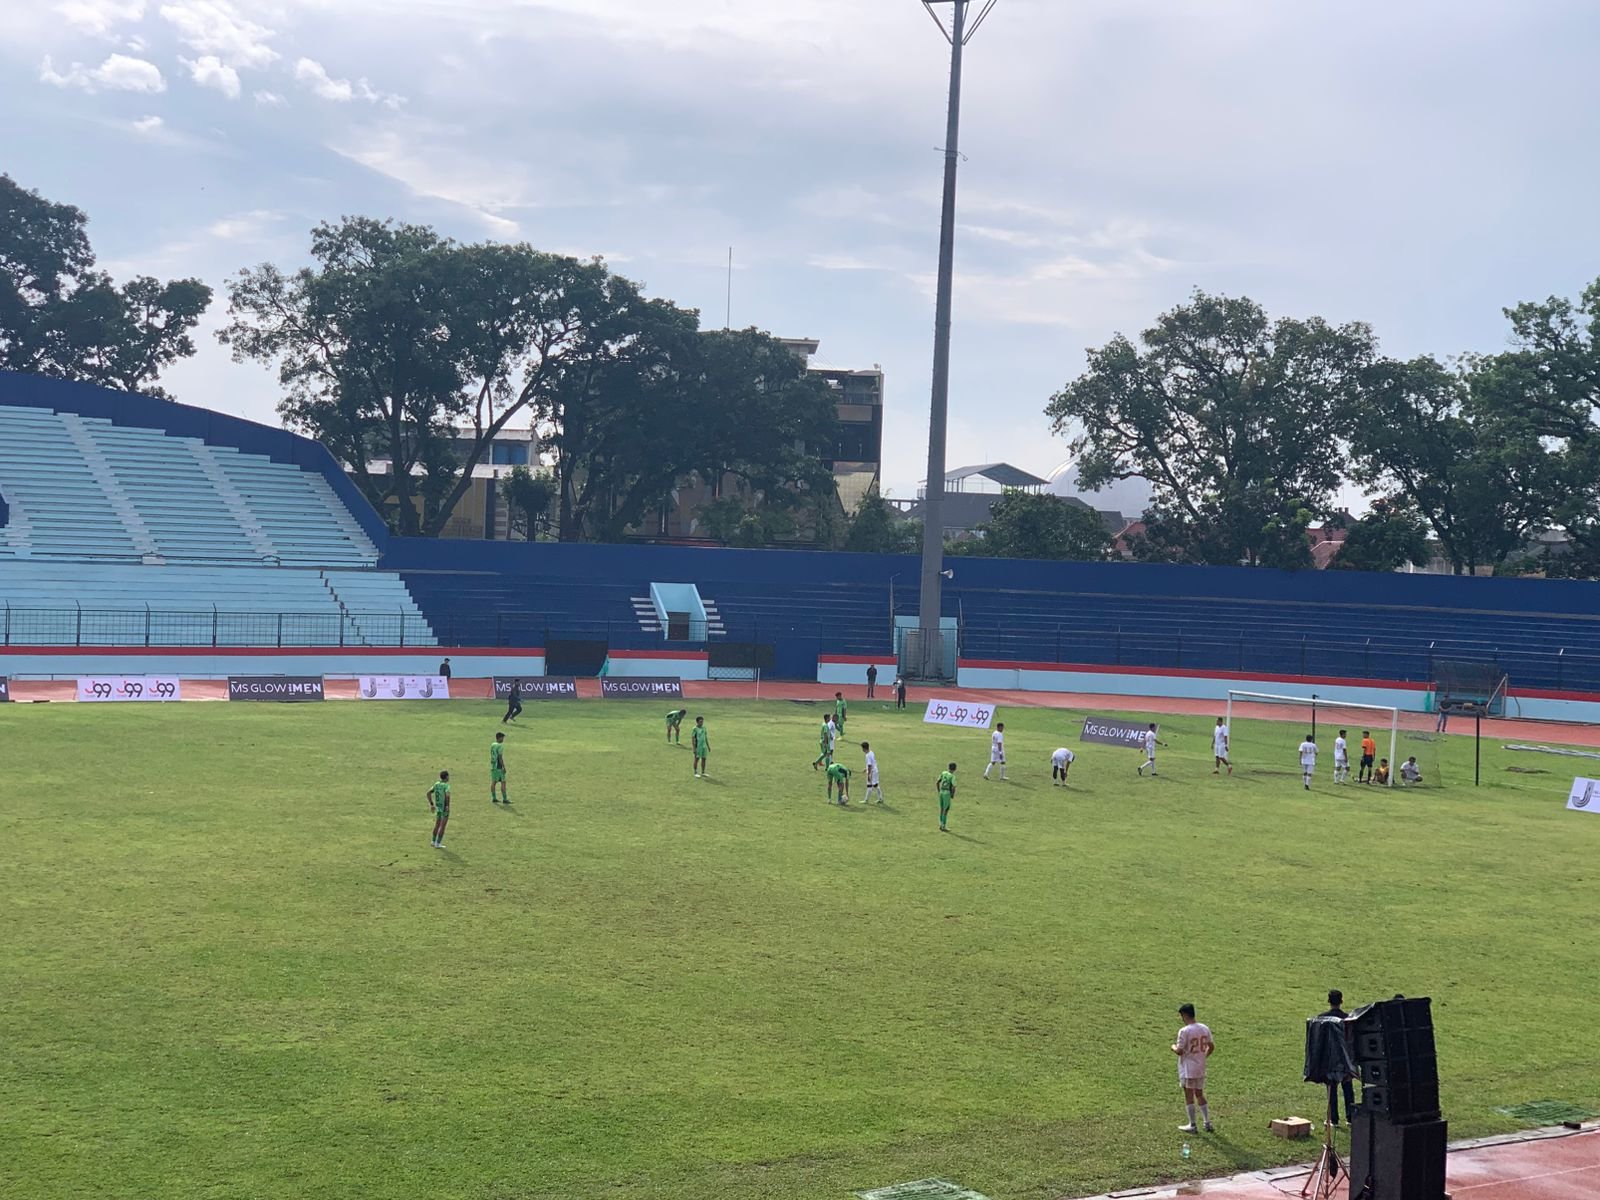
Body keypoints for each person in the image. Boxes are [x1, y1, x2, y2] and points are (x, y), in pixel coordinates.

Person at [1173, 1002, 1215, 1133]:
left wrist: (1172, 1047)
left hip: (1188, 1068)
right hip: (1200, 1067)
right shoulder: (1204, 1028)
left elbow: (1180, 1051)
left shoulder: (1184, 1031)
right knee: (1200, 1094)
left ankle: (1192, 1124)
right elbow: (1211, 1046)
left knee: (1189, 1095)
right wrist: (1203, 1056)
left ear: (1185, 1015)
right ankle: (1207, 1122)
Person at [1320, 989, 1355, 1126]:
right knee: (1348, 1090)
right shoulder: (1348, 1019)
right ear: (1341, 1001)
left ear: (1328, 1001)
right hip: (1345, 1060)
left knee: (1331, 1091)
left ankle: (1333, 1119)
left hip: (1330, 1060)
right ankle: (1350, 1117)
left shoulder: (1322, 1019)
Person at [427, 770, 451, 849]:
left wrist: (432, 804)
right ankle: (438, 843)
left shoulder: (436, 784)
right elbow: (447, 796)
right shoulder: (446, 786)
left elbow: (428, 793)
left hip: (438, 807)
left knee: (437, 825)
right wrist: (447, 806)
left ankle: (433, 841)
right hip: (444, 807)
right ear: (446, 777)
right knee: (442, 826)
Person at [490, 732, 509, 805]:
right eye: (502, 738)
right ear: (499, 738)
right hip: (498, 766)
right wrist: (504, 767)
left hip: (493, 765)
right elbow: (500, 757)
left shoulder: (493, 744)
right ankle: (505, 799)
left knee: (493, 782)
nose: (503, 739)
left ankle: (494, 798)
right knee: (503, 782)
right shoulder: (500, 746)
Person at [937, 761, 957, 832]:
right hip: (947, 793)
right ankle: (943, 826)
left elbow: (938, 781)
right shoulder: (952, 776)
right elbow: (954, 787)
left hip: (941, 792)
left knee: (942, 809)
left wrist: (939, 790)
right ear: (955, 769)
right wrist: (952, 795)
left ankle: (940, 824)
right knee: (946, 809)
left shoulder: (943, 773)